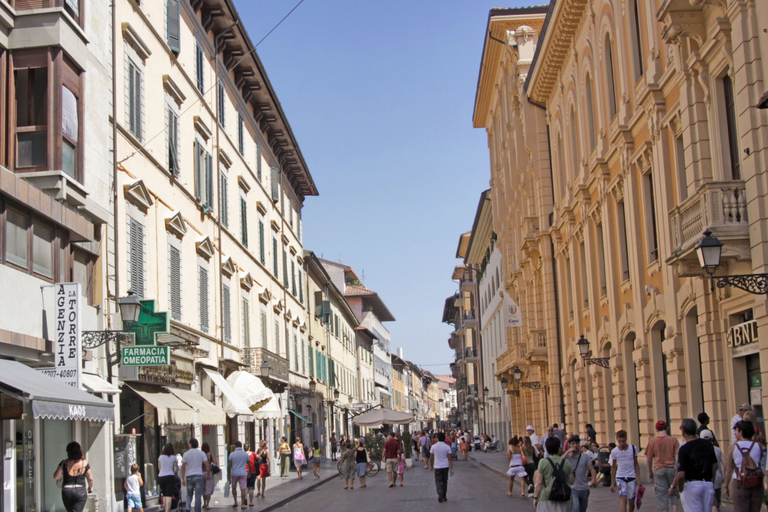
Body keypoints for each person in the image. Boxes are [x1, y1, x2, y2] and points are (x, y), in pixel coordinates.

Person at [675, 418, 717, 511]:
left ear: (683, 430)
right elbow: (715, 465)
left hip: (692, 485)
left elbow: (681, 474)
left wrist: (680, 488)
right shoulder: (708, 445)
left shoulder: (684, 448)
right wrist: (712, 481)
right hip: (707, 483)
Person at [724, 420, 764, 511]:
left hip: (740, 482)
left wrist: (726, 486)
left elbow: (729, 469)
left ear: (741, 432)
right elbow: (760, 462)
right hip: (756, 482)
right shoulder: (758, 446)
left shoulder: (733, 447)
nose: (735, 433)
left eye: (736, 430)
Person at [645, 420, 680, 512]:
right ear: (667, 428)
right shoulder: (673, 440)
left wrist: (650, 472)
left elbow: (649, 458)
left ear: (657, 430)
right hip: (672, 469)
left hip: (659, 469)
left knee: (662, 496)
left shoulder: (652, 441)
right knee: (674, 493)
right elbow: (678, 456)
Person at [533, 436, 574, 511]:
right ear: (559, 448)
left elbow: (539, 482)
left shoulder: (543, 462)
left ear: (547, 449)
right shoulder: (566, 462)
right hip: (565, 498)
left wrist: (536, 497)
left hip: (546, 498)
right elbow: (571, 481)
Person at [53, 441, 93, 512]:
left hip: (67, 491)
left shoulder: (64, 463)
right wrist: (90, 488)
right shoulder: (84, 463)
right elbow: (90, 479)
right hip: (80, 491)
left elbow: (56, 477)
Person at [610, 430, 642, 512]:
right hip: (620, 477)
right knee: (623, 499)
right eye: (619, 441)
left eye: (623, 441)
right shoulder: (614, 451)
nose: (621, 443)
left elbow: (636, 464)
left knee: (631, 502)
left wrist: (639, 479)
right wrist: (612, 483)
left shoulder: (633, 448)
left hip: (631, 476)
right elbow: (613, 467)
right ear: (617, 440)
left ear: (626, 439)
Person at [565, 435, 597, 512]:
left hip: (584, 488)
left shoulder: (585, 456)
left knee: (582, 509)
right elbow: (559, 462)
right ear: (569, 444)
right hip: (573, 489)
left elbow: (592, 469)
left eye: (577, 443)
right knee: (575, 509)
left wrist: (594, 479)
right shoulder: (567, 457)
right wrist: (567, 451)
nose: (575, 445)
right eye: (572, 443)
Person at [181, 438, 210, 512]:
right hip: (198, 476)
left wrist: (182, 478)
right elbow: (207, 465)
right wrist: (208, 474)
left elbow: (183, 467)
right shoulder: (201, 453)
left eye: (189, 443)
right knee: (198, 495)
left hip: (189, 476)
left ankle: (188, 507)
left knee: (189, 494)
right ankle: (197, 510)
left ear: (190, 444)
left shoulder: (186, 454)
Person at [700, 429, 724, 512]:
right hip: (717, 479)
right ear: (712, 439)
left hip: (705, 480)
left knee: (709, 504)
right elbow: (726, 464)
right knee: (716, 503)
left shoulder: (699, 450)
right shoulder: (717, 449)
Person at [430, 432, 454, 502]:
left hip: (437, 466)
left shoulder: (433, 446)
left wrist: (431, 466)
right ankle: (444, 496)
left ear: (437, 439)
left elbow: (431, 458)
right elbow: (450, 458)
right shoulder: (447, 447)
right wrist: (451, 468)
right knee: (444, 481)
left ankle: (439, 491)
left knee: (438, 480)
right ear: (444, 439)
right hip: (445, 466)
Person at [228, 440, 249, 509]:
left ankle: (235, 501)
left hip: (234, 473)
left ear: (235, 446)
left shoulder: (232, 454)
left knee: (234, 487)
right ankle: (242, 504)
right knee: (243, 488)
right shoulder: (245, 454)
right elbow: (249, 464)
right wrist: (249, 472)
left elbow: (229, 465)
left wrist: (229, 474)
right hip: (243, 473)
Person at [157, 443, 177, 512]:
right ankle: (167, 510)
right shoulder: (174, 457)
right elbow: (176, 468)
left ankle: (165, 508)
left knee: (164, 494)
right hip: (170, 476)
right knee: (169, 495)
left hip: (161, 476)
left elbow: (159, 468)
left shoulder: (160, 457)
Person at [200, 442, 218, 510]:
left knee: (203, 488)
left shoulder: (201, 455)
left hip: (202, 472)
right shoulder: (210, 455)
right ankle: (208, 504)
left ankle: (204, 503)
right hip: (209, 472)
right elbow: (215, 463)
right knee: (209, 488)